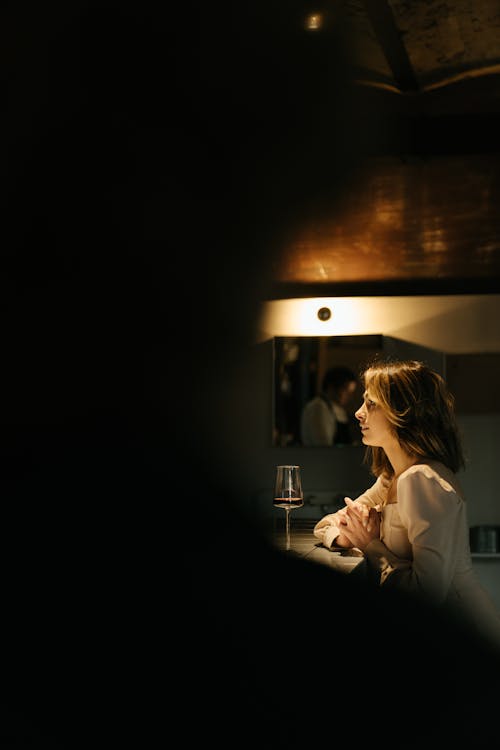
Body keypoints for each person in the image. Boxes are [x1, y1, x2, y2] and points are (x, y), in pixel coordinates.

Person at [313, 358, 500, 650]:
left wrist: (370, 543)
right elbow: (324, 524)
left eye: (371, 404)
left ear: (403, 412)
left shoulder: (420, 478)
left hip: (461, 633)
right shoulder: (392, 478)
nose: (358, 413)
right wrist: (347, 535)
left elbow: (428, 594)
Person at [301, 365, 358, 446]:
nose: (349, 396)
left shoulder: (339, 409)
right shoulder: (318, 407)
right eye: (346, 391)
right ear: (331, 387)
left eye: (351, 392)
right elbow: (323, 445)